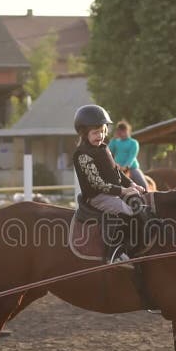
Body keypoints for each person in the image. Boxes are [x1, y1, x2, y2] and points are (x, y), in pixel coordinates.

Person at [72, 105, 146, 263]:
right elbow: (97, 184)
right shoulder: (82, 155)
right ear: (84, 134)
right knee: (127, 212)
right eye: (95, 133)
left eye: (102, 131)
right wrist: (123, 191)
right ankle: (114, 253)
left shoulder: (104, 148)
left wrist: (132, 184)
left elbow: (116, 171)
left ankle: (137, 248)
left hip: (113, 191)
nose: (100, 136)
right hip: (98, 196)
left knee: (142, 206)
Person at [108, 120, 149, 191]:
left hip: (132, 168)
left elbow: (131, 156)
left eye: (124, 131)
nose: (122, 133)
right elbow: (108, 151)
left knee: (144, 185)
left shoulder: (133, 142)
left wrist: (126, 166)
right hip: (117, 169)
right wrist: (114, 139)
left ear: (128, 131)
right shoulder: (116, 142)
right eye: (120, 131)